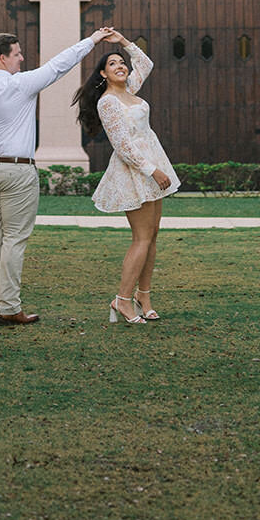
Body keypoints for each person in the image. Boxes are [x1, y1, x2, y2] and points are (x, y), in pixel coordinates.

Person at [0, 26, 114, 326]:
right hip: (16, 170)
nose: (22, 59)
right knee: (14, 239)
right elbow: (60, 65)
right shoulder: (19, 84)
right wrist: (93, 40)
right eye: (17, 54)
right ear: (3, 58)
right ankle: (8, 307)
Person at [73, 35, 180, 323]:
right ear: (103, 74)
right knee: (141, 238)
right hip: (136, 172)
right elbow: (123, 146)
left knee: (153, 236)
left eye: (122, 62)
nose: (120, 66)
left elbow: (145, 63)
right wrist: (152, 170)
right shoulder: (108, 102)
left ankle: (143, 295)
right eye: (113, 63)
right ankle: (122, 300)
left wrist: (123, 42)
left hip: (153, 166)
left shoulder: (129, 90)